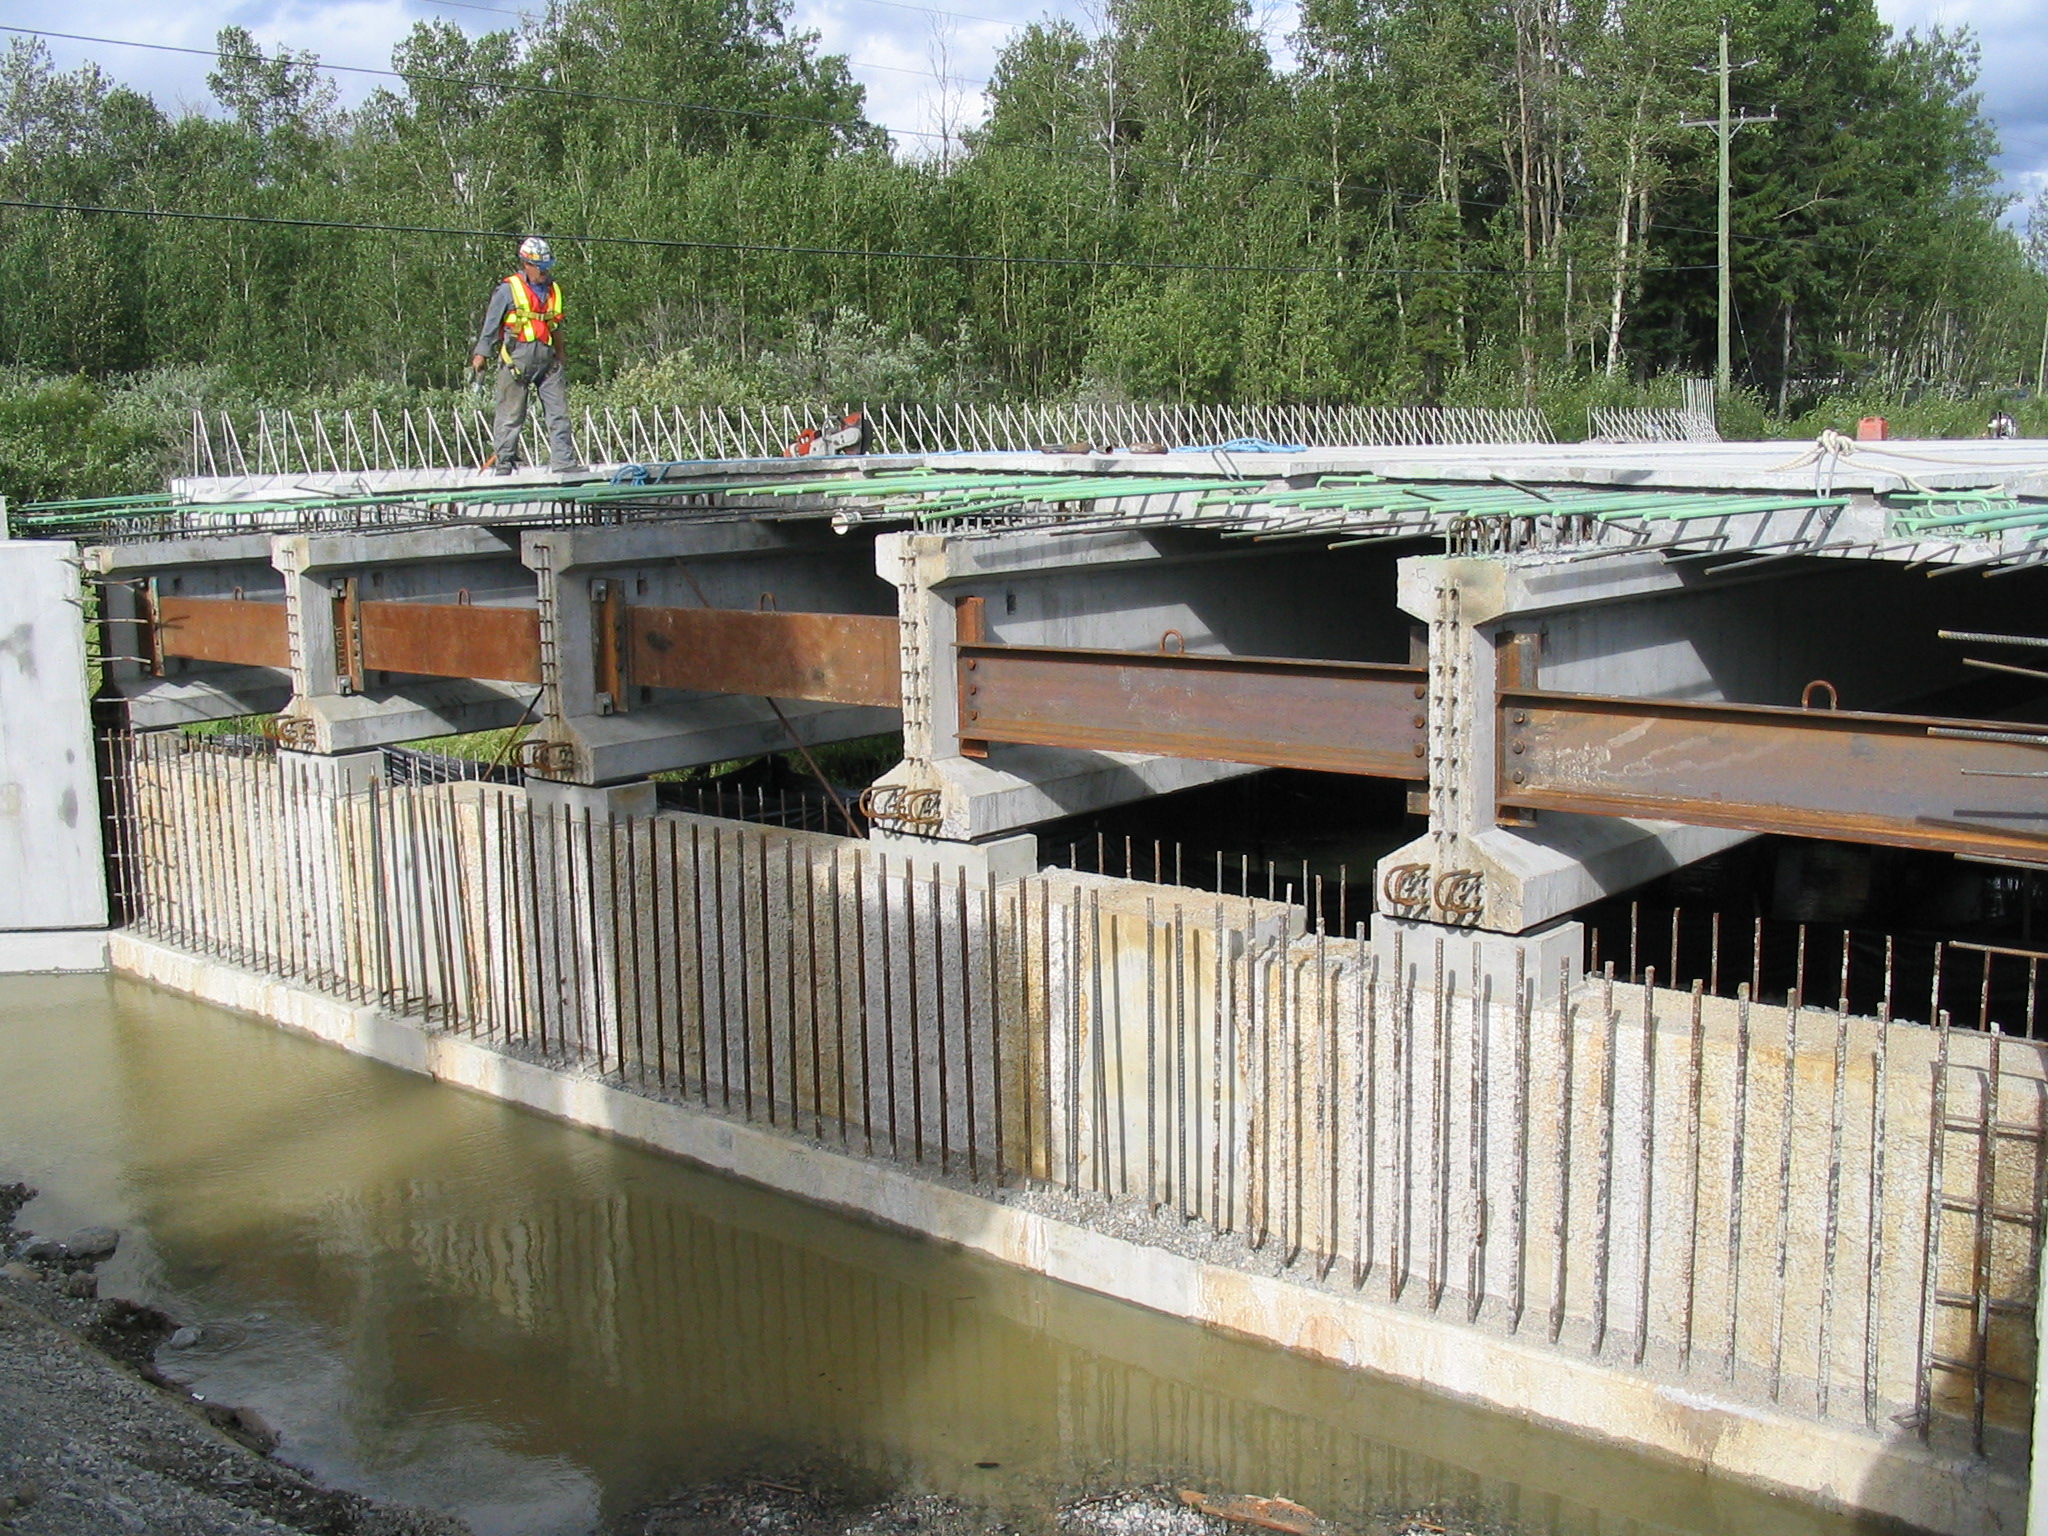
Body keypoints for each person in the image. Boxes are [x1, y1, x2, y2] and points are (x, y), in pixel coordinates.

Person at [471, 236, 584, 475]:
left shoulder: (553, 290)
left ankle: (563, 461)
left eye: (547, 268)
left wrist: (561, 355)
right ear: (527, 264)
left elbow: (556, 325)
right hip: (517, 360)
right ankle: (504, 464)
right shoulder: (508, 290)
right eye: (540, 268)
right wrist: (482, 354)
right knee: (510, 416)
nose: (544, 273)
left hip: (548, 361)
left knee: (559, 414)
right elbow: (491, 325)